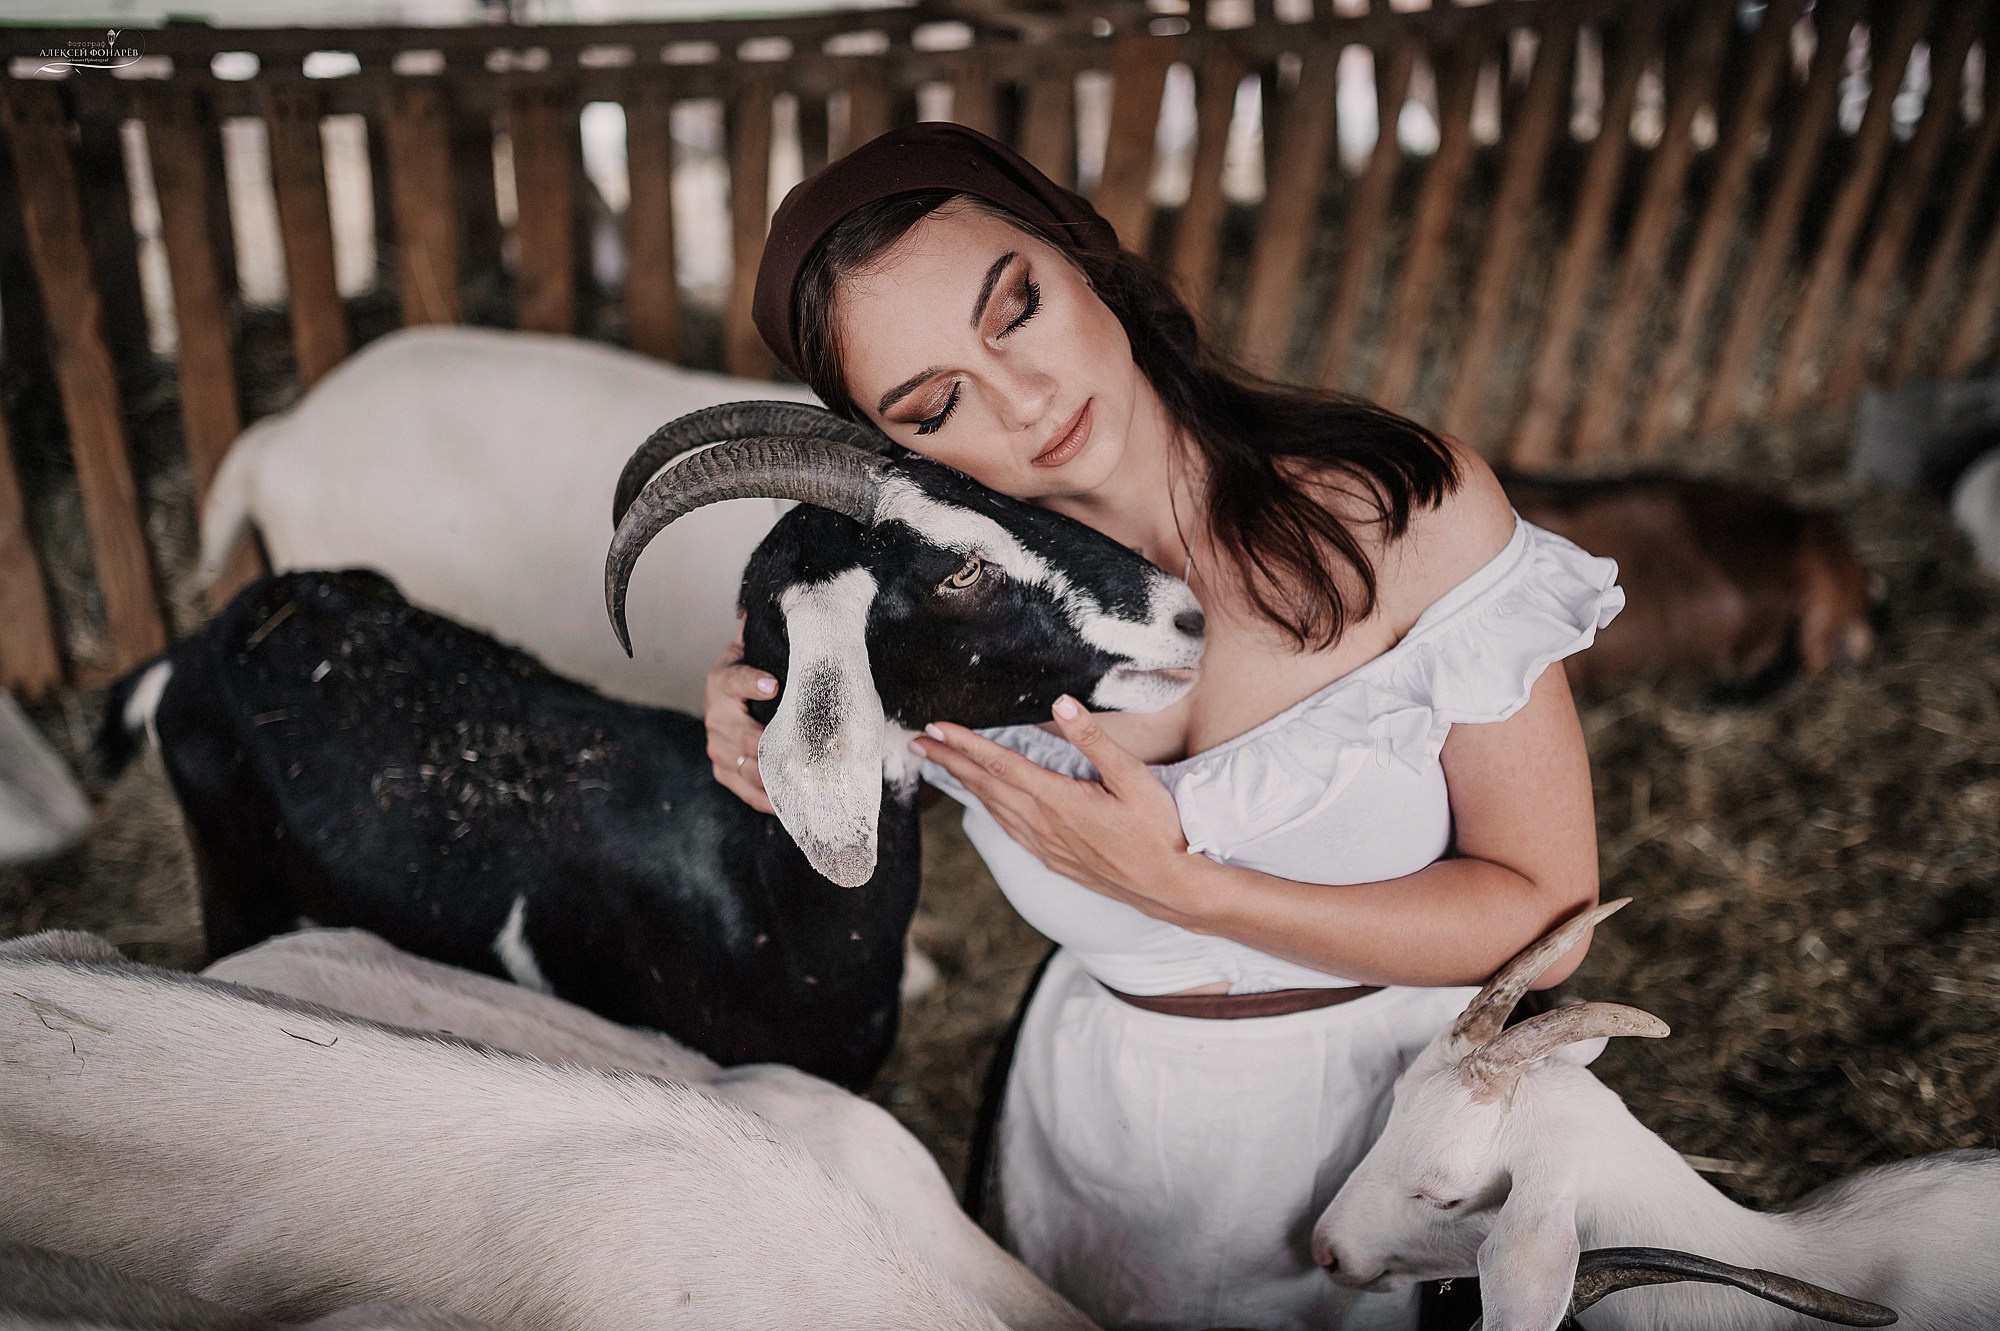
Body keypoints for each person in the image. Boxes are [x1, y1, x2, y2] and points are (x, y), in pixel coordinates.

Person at [703, 122, 1622, 1331]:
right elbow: (802, 809)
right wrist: (743, 719)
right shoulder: (924, 636)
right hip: (1110, 1158)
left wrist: (1191, 890)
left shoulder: (1405, 514)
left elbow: (1549, 929)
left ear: (1084, 254)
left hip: (1406, 1143)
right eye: (935, 404)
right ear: (898, 449)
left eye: (1016, 308)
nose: (1022, 400)